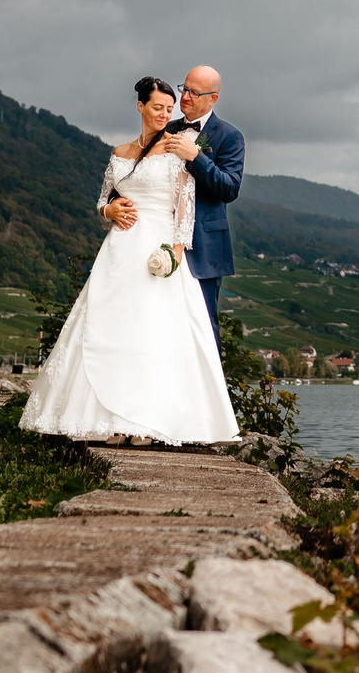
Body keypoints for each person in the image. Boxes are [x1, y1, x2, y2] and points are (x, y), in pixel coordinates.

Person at [20, 76, 239, 447]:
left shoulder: (179, 149)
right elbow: (103, 202)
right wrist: (110, 209)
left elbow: (186, 210)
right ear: (140, 107)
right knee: (113, 331)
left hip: (160, 248)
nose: (166, 113)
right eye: (159, 107)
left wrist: (174, 253)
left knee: (153, 334)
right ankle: (112, 419)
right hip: (120, 251)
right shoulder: (120, 152)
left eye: (170, 108)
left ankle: (147, 422)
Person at [168, 65, 244, 328]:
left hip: (204, 248)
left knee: (202, 327)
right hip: (162, 237)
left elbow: (229, 189)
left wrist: (196, 158)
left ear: (213, 98)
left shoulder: (230, 137)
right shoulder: (166, 129)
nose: (185, 97)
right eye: (184, 88)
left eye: (194, 92)